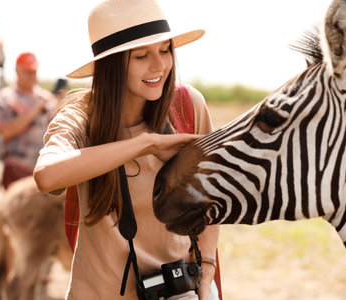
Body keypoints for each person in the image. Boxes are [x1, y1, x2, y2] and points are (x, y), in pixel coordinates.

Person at [34, 0, 219, 299]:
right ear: (112, 64)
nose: (159, 65)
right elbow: (46, 176)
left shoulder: (187, 105)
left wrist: (207, 267)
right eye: (141, 55)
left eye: (165, 50)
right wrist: (145, 144)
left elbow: (212, 195)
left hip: (179, 290)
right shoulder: (81, 116)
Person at [0, 52, 57, 189]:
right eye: (28, 72)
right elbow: (6, 131)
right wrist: (35, 110)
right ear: (17, 71)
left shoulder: (46, 98)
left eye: (34, 72)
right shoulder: (5, 98)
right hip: (17, 168)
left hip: (43, 168)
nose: (32, 76)